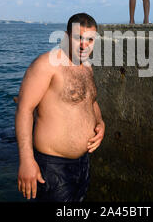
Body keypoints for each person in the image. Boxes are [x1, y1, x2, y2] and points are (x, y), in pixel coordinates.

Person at [16, 13, 105, 202]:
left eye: (89, 39)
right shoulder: (46, 64)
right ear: (66, 36)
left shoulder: (86, 66)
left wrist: (100, 123)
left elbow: (90, 101)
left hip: (83, 164)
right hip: (53, 166)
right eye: (78, 38)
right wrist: (26, 161)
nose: (83, 45)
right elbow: (24, 110)